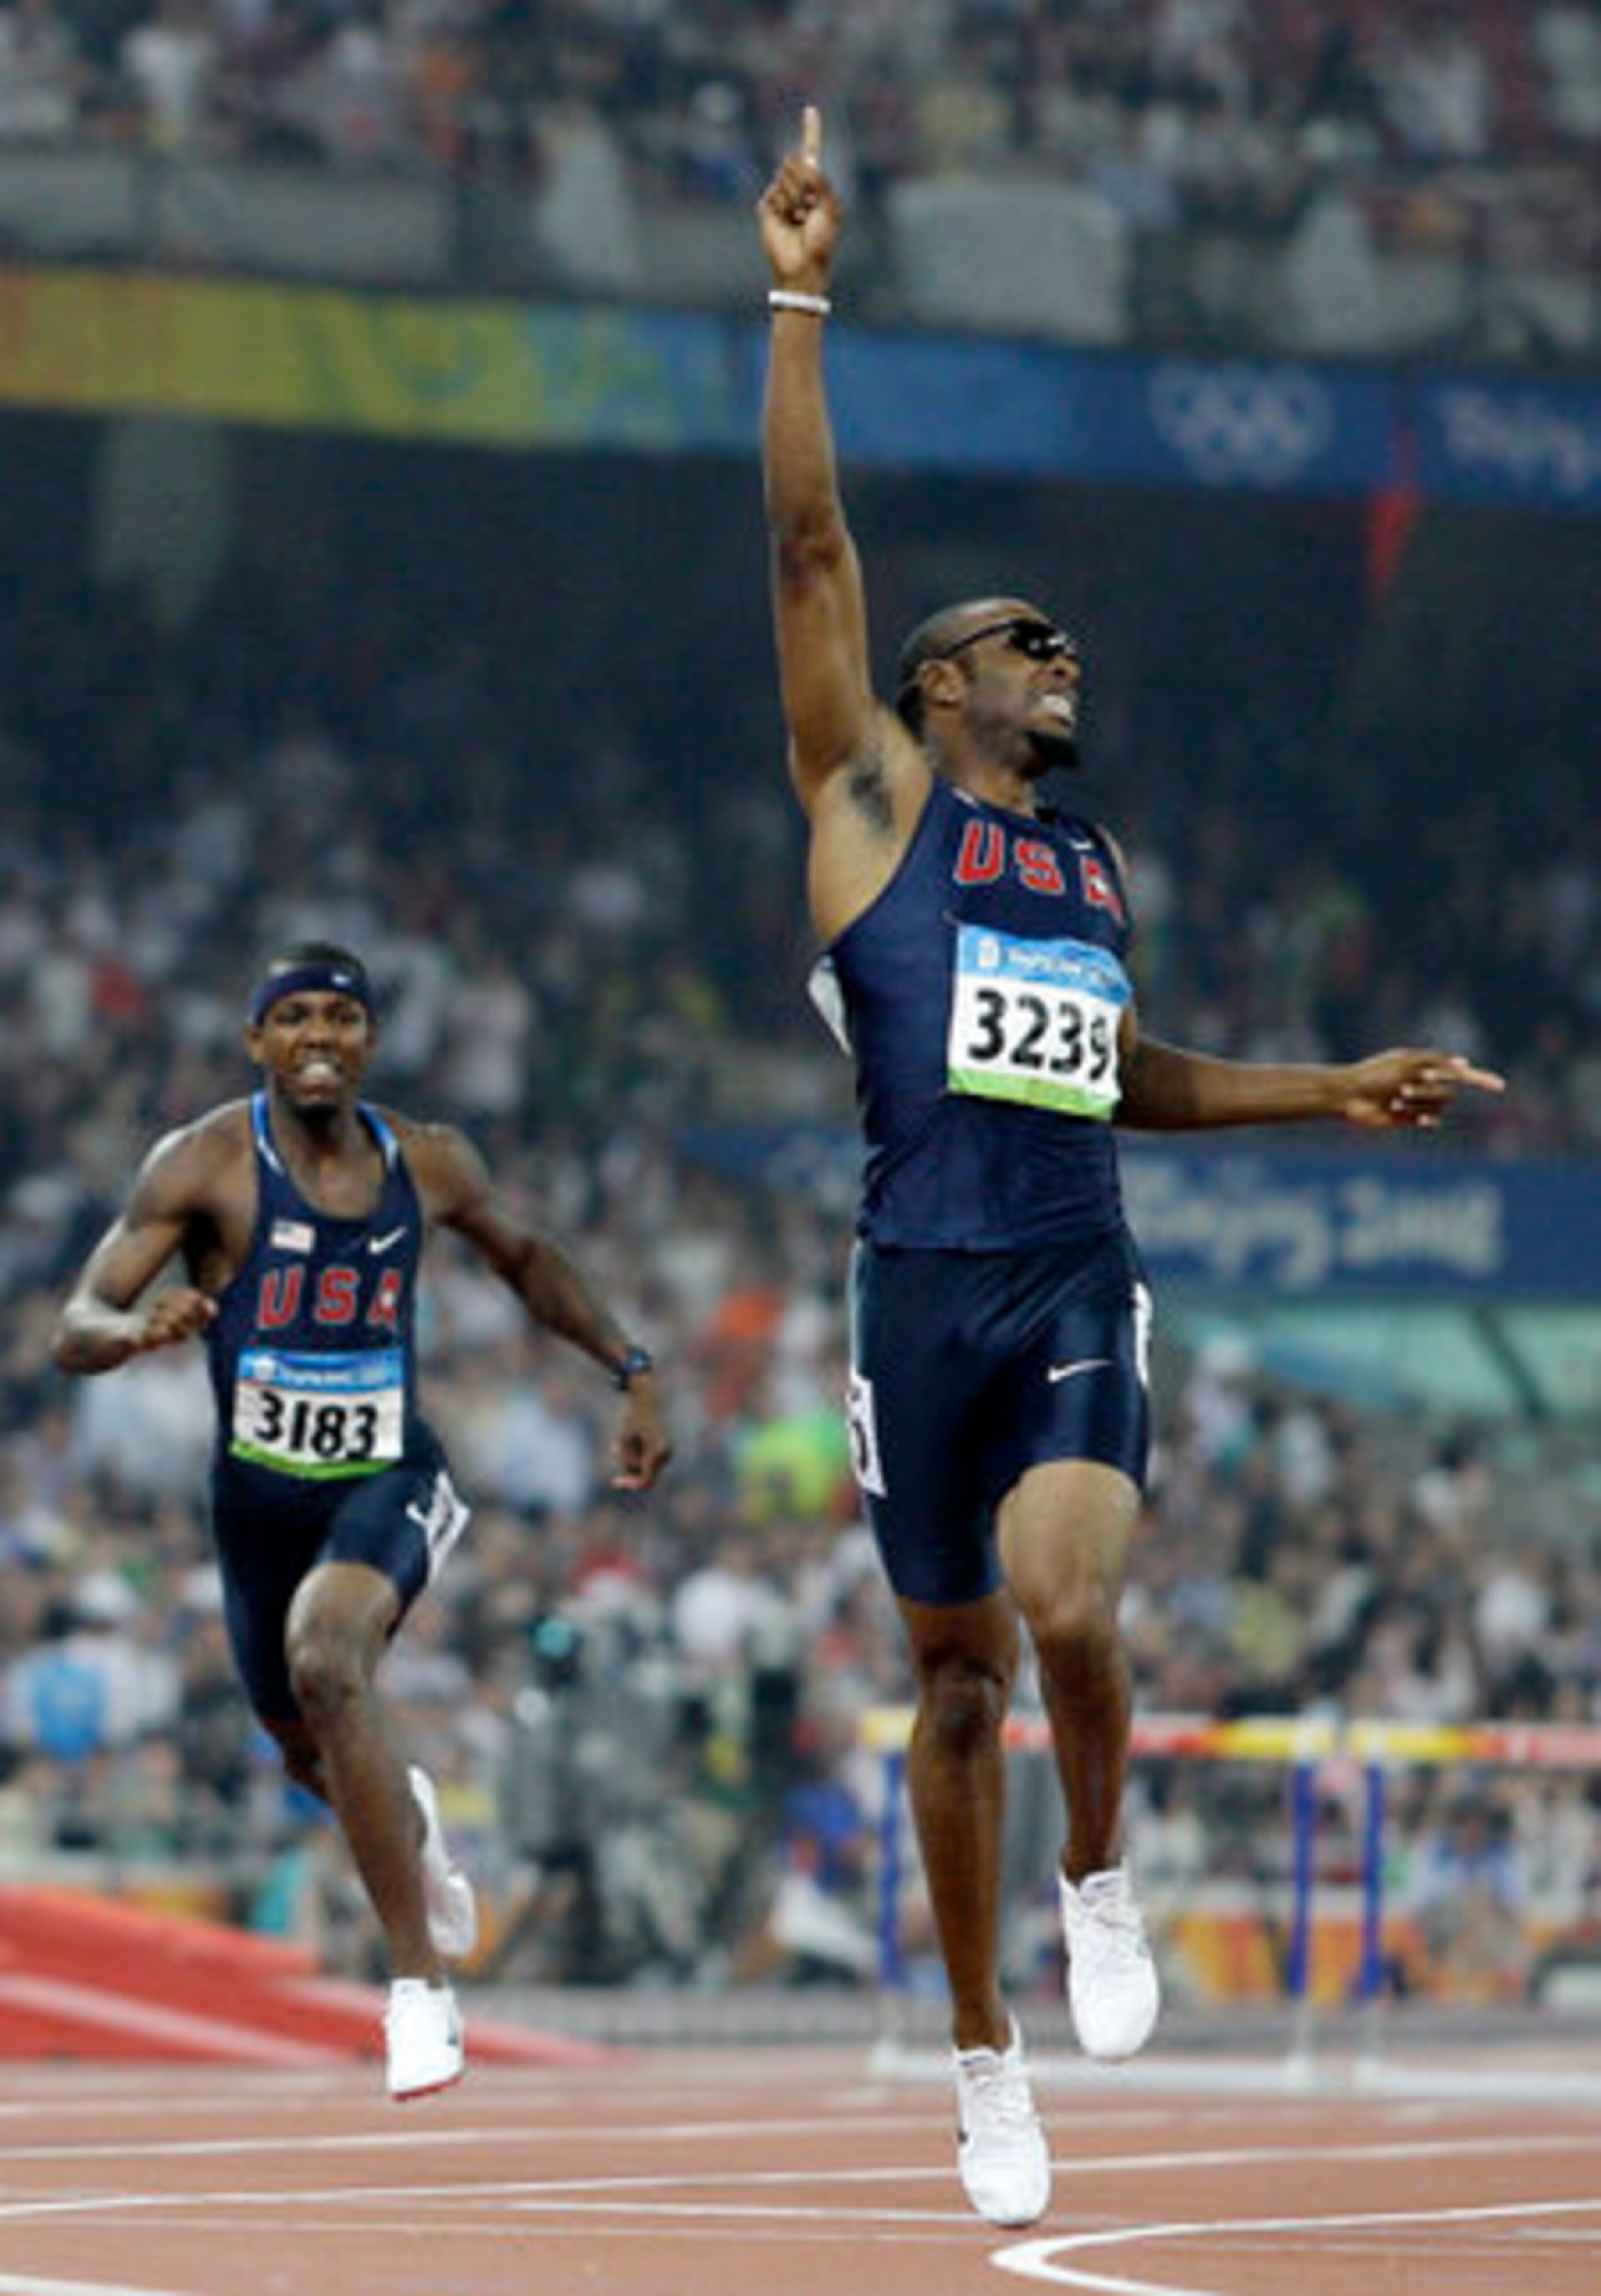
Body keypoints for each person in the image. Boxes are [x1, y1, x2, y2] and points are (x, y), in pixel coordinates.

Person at [755, 108, 1504, 2228]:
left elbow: (1121, 1077)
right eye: (1027, 637)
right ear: (934, 683)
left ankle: (1100, 1872)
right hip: (917, 1284)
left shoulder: (1089, 862)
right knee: (954, 1675)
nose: (1064, 655)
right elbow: (812, 549)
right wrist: (801, 296)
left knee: (1074, 1610)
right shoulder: (871, 799)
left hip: (1075, 1267)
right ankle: (983, 2061)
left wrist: (1331, 1086)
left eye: (1067, 641)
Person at [51, 940, 671, 2100]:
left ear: (371, 1038)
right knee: (307, 1743)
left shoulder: (427, 1160)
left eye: (341, 1015)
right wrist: (129, 1331)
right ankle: (409, 1811)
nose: (320, 1036)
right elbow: (75, 1319)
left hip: (390, 1471)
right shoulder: (203, 1163)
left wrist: (629, 1365)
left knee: (330, 1660)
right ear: (258, 1043)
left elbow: (527, 1257)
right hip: (255, 1504)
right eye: (294, 1017)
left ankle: (418, 1985)